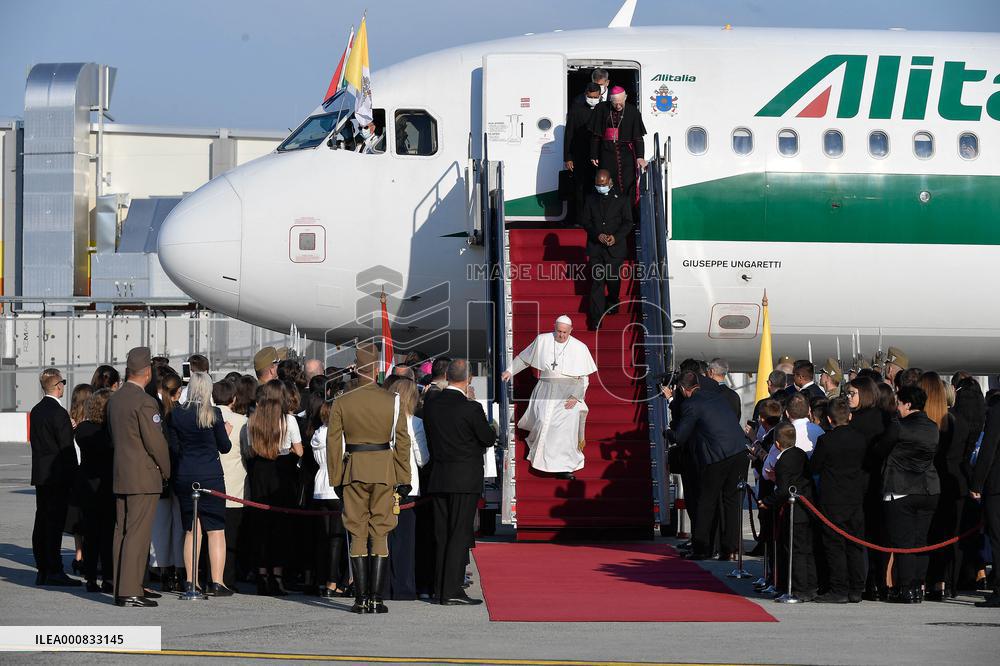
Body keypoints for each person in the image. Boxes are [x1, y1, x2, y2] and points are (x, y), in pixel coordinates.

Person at [326, 342, 411, 614]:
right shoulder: (392, 400)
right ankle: (376, 598)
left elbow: (333, 443)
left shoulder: (342, 400)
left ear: (356, 368)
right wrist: (404, 477)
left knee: (357, 531)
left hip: (353, 470)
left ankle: (360, 599)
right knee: (381, 530)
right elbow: (402, 442)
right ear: (376, 369)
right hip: (384, 470)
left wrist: (336, 478)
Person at [422, 359, 495, 605]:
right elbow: (487, 437)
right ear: (469, 379)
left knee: (442, 533)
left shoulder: (432, 404)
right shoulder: (471, 408)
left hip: (440, 475)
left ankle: (440, 587)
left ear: (446, 377)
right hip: (464, 478)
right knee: (459, 534)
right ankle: (452, 589)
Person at [107, 347, 171, 607]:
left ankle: (121, 586)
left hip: (122, 472)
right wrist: (166, 469)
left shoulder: (116, 399)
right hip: (143, 475)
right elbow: (156, 443)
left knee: (121, 532)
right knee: (138, 534)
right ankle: (130, 591)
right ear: (147, 373)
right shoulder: (145, 401)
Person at [666, 370, 749, 560]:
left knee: (706, 502)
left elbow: (680, 436)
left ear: (683, 389)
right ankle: (730, 549)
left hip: (718, 456)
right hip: (740, 451)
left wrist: (668, 432)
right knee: (732, 503)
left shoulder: (691, 404)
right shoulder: (716, 397)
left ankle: (702, 548)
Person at [501, 316, 597, 480]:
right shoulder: (543, 340)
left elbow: (584, 377)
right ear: (554, 327)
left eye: (565, 332)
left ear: (571, 330)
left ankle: (564, 467)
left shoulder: (580, 347)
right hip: (545, 389)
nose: (561, 335)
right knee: (542, 422)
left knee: (564, 429)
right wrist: (510, 371)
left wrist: (576, 396)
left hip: (568, 393)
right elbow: (525, 359)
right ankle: (541, 459)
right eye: (559, 331)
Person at [165, 372, 233, 596]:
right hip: (210, 474)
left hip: (186, 474)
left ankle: (191, 580)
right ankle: (217, 582)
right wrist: (226, 432)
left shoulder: (177, 414)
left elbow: (174, 447)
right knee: (216, 529)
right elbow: (225, 447)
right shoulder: (214, 413)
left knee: (191, 530)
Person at [874, 385, 940, 604]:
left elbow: (879, 451)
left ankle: (906, 588)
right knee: (921, 541)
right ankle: (918, 587)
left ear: (908, 404)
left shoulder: (898, 426)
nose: (897, 408)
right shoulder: (933, 427)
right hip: (929, 488)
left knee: (904, 542)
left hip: (901, 488)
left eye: (899, 403)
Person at [242, 381, 303, 596]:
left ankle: (262, 576)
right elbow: (299, 451)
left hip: (260, 471)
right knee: (280, 526)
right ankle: (276, 577)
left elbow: (250, 450)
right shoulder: (289, 420)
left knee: (260, 525)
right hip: (281, 472)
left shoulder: (253, 420)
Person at [809, 399, 868, 603]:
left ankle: (839, 588)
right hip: (855, 497)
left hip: (832, 498)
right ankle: (856, 588)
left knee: (835, 545)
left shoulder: (826, 441)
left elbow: (815, 467)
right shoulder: (860, 438)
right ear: (849, 416)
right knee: (855, 544)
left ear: (829, 419)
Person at [921, 372, 971, 600]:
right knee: (951, 535)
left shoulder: (926, 424)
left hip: (932, 482)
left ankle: (931, 580)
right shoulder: (958, 421)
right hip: (954, 481)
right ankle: (948, 583)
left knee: (932, 533)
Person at [381, 375, 430, 601]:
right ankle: (403, 587)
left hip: (383, 483)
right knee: (405, 541)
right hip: (408, 487)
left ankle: (382, 586)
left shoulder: (381, 420)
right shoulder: (416, 423)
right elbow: (422, 458)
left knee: (383, 538)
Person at [29, 368, 79, 587]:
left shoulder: (37, 410)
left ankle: (43, 568)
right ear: (58, 386)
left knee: (42, 521)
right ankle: (54, 570)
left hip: (41, 474)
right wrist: (76, 476)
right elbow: (66, 449)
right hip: (58, 476)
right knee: (55, 524)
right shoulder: (59, 413)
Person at [760, 422, 817, 601]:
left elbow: (784, 490)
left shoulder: (783, 461)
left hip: (794, 510)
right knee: (805, 550)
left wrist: (767, 502)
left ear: (777, 444)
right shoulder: (800, 454)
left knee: (794, 551)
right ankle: (809, 586)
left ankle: (797, 589)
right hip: (806, 508)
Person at [579, 170, 633, 328]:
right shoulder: (590, 199)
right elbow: (586, 221)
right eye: (597, 184)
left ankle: (613, 300)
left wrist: (615, 237)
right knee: (597, 282)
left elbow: (628, 222)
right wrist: (598, 235)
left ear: (610, 182)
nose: (600, 187)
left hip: (615, 248)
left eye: (602, 184)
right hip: (596, 248)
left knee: (612, 279)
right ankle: (596, 319)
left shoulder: (622, 199)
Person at [75, 388, 116, 593]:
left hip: (87, 485)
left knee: (90, 535)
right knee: (107, 534)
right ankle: (108, 577)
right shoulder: (109, 431)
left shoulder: (83, 429)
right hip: (106, 485)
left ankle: (90, 577)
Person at [149, 371, 185, 593]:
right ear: (178, 392)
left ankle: (164, 571)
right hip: (179, 472)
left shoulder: (155, 412)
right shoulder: (181, 413)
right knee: (179, 526)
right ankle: (180, 571)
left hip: (159, 474)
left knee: (160, 527)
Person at [310, 400, 349, 598]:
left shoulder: (318, 433)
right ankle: (332, 581)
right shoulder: (338, 435)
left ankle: (321, 579)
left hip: (320, 486)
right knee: (336, 539)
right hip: (335, 485)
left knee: (323, 539)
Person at [213, 380, 249, 591]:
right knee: (231, 536)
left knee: (210, 532)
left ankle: (210, 576)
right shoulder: (242, 421)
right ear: (233, 399)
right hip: (235, 485)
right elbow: (248, 451)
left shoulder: (205, 417)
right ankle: (228, 578)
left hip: (210, 482)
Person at [589, 86, 647, 205]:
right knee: (607, 183)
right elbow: (596, 135)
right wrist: (594, 154)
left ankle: (628, 213)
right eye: (615, 103)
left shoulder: (633, 111)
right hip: (606, 153)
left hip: (626, 156)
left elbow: (638, 137)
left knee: (627, 185)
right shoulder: (601, 109)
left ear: (625, 98)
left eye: (621, 102)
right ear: (610, 100)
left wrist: (640, 157)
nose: (618, 106)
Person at [972, 394, 1000, 607]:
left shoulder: (997, 410)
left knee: (997, 538)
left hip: (997, 484)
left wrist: (977, 482)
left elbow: (989, 447)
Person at [565, 82, 603, 222]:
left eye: (595, 97)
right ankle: (581, 219)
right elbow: (569, 134)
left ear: (600, 95)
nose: (592, 99)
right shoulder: (576, 110)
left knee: (599, 186)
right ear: (585, 94)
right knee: (580, 187)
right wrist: (568, 157)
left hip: (600, 155)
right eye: (590, 97)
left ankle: (598, 218)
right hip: (580, 155)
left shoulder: (604, 109)